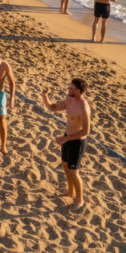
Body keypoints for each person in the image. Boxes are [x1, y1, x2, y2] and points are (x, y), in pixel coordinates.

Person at [41, 79, 91, 212]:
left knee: (74, 172)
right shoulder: (68, 101)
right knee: (65, 165)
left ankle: (79, 200)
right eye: (69, 88)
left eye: (71, 89)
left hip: (77, 141)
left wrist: (66, 138)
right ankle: (70, 192)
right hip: (67, 138)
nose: (69, 90)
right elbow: (52, 107)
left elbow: (86, 131)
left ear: (78, 91)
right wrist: (45, 97)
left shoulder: (84, 108)